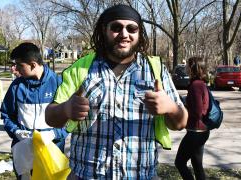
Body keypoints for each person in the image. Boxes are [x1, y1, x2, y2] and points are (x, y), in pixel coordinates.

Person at [45, 4, 188, 179]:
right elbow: (50, 116)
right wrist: (66, 109)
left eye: (132, 28)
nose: (124, 34)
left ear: (139, 33)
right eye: (116, 27)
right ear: (104, 30)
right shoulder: (80, 69)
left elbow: (181, 123)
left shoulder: (155, 70)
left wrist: (171, 108)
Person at [0, 42, 68, 178]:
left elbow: (70, 120)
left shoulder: (59, 84)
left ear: (33, 64)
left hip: (52, 149)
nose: (16, 69)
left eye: (19, 65)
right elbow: (6, 115)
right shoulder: (16, 86)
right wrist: (15, 131)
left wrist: (54, 134)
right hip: (24, 150)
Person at [175, 57, 210, 180]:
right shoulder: (201, 83)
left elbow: (197, 112)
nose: (185, 69)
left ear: (193, 68)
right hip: (202, 131)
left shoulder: (195, 85)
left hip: (196, 132)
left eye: (187, 66)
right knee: (197, 165)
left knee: (179, 162)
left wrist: (183, 107)